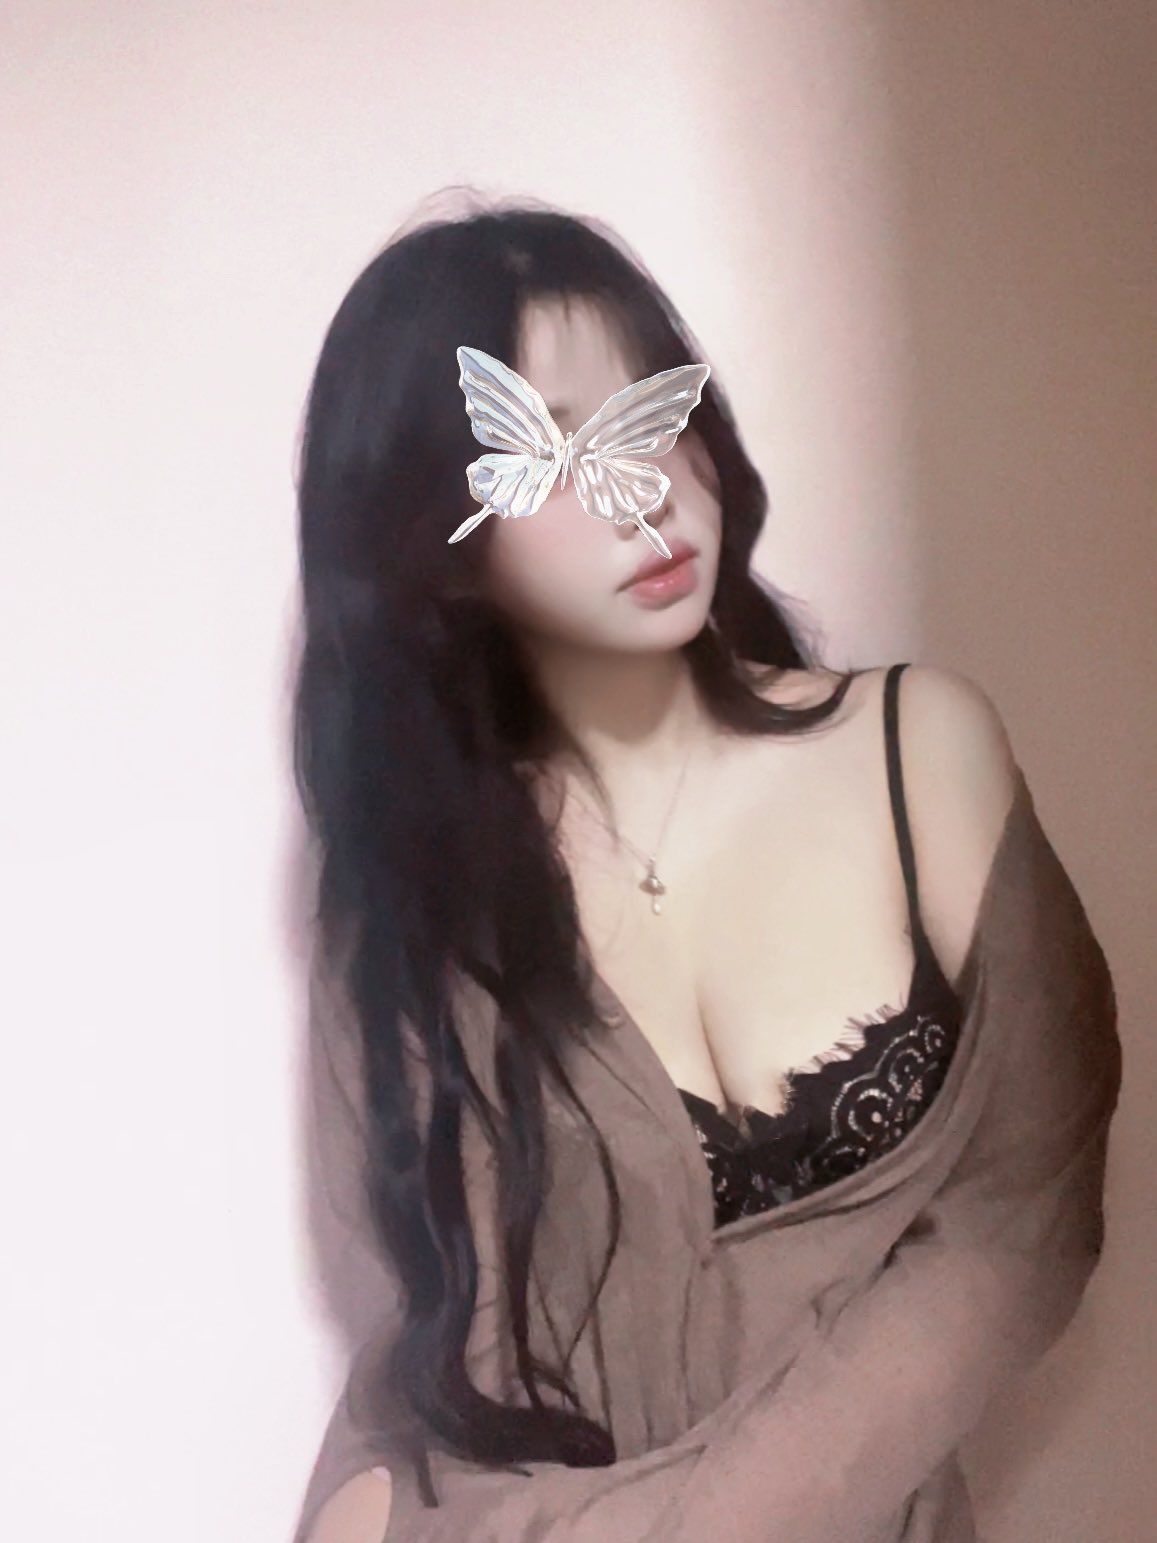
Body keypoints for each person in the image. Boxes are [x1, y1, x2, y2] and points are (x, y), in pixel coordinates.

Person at [290, 199, 1120, 1542]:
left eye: (653, 412)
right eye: (552, 452)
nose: (648, 490)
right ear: (437, 554)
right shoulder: (411, 909)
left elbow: (1023, 1230)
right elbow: (444, 1355)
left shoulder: (917, 752)